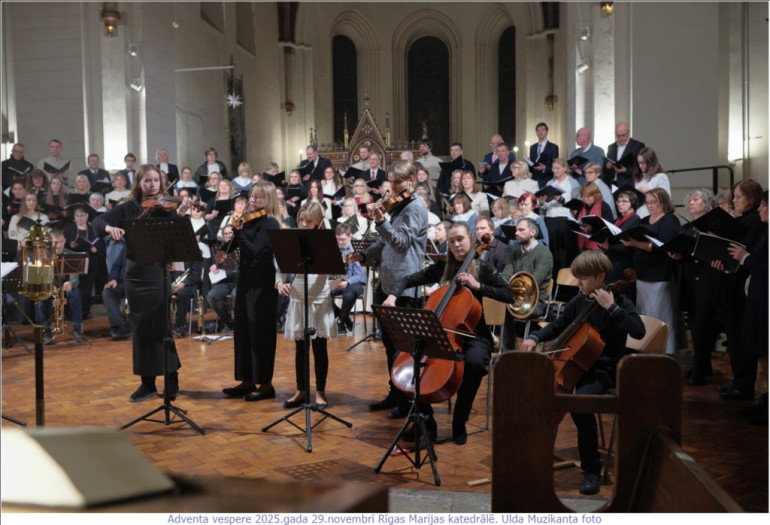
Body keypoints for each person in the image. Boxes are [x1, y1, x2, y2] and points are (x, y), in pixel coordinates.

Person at [520, 250, 645, 495]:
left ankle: (591, 470)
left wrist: (612, 308)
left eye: (583, 279)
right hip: (575, 363)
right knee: (534, 391)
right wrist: (534, 337)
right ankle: (530, 454)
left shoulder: (618, 301)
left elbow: (639, 331)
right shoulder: (580, 300)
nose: (579, 284)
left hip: (603, 370)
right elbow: (559, 325)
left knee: (579, 406)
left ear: (601, 276)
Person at [383, 222, 515, 443]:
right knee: (408, 358)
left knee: (473, 363)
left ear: (471, 240)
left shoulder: (482, 269)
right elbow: (407, 279)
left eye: (460, 239)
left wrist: (478, 286)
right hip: (442, 331)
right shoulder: (443, 268)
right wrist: (393, 296)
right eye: (452, 241)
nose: (456, 244)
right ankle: (426, 421)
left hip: (475, 334)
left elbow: (509, 295)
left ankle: (459, 421)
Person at [93, 164, 194, 402]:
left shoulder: (168, 208)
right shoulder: (128, 208)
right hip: (135, 275)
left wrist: (180, 215)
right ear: (139, 183)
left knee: (162, 328)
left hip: (158, 274)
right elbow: (98, 222)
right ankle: (147, 384)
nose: (152, 185)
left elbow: (177, 238)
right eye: (147, 181)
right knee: (140, 329)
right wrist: (110, 228)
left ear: (161, 183)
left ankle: (171, 379)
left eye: (156, 181)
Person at [347, 160, 428, 418]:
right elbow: (384, 243)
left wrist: (382, 221)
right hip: (387, 283)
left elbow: (402, 243)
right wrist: (364, 256)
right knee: (389, 344)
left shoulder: (415, 207)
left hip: (405, 287)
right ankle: (395, 393)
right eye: (390, 182)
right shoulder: (398, 205)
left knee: (403, 349)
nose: (392, 187)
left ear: (411, 180)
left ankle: (405, 403)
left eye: (398, 182)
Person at [221, 181, 281, 401]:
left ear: (269, 200)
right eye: (252, 197)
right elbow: (233, 250)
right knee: (244, 331)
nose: (253, 201)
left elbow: (254, 252)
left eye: (259, 197)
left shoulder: (271, 223)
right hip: (245, 282)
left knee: (260, 334)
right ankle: (246, 381)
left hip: (263, 286)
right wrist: (226, 241)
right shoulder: (246, 223)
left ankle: (266, 385)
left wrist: (239, 232)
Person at [276, 202, 337, 409]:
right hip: (298, 297)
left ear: (318, 223)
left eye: (308, 221)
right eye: (301, 219)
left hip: (319, 299)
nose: (303, 223)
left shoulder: (325, 241)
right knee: (300, 349)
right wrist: (279, 283)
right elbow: (280, 266)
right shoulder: (293, 241)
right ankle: (301, 391)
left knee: (319, 348)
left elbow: (336, 272)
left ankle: (320, 392)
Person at [713, 180, 765, 402]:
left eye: (738, 197)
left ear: (752, 198)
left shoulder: (758, 221)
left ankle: (744, 385)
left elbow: (749, 254)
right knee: (734, 335)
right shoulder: (744, 219)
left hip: (748, 288)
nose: (734, 200)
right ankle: (739, 381)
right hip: (735, 282)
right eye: (733, 196)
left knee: (742, 337)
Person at [620, 188, 683, 356]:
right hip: (643, 273)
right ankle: (646, 346)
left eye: (653, 202)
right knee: (645, 313)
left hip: (660, 274)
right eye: (647, 203)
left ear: (663, 201)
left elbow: (662, 246)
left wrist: (635, 244)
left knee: (661, 313)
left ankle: (665, 349)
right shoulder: (645, 219)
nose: (649, 206)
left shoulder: (670, 220)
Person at [668, 189, 719, 386]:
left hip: (707, 278)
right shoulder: (687, 228)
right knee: (695, 324)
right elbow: (684, 252)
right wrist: (677, 255)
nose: (691, 203)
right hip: (689, 280)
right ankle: (703, 365)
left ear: (706, 203)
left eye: (696, 200)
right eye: (689, 200)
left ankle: (700, 369)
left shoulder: (713, 227)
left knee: (703, 324)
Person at [726, 189, 767, 425]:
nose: (760, 209)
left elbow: (764, 265)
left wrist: (744, 257)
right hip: (758, 297)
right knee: (762, 354)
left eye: (764, 205)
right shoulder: (765, 232)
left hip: (764, 300)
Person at [500, 217, 554, 349]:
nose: (516, 233)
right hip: (515, 299)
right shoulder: (515, 254)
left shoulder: (544, 254)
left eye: (521, 230)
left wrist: (511, 287)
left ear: (533, 232)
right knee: (496, 303)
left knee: (503, 309)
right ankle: (507, 351)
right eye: (516, 230)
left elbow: (534, 280)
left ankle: (509, 351)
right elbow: (506, 276)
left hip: (535, 303)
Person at [63, 204, 104, 319]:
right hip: (72, 262)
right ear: (74, 216)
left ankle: (84, 313)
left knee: (86, 290)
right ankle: (69, 313)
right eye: (77, 216)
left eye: (82, 215)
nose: (80, 218)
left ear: (87, 216)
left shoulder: (93, 229)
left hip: (89, 263)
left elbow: (101, 246)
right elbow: (62, 244)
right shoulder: (68, 229)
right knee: (72, 288)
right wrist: (69, 244)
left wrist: (95, 249)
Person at [540, 158, 579, 272]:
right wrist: (542, 203)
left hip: (565, 219)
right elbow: (546, 206)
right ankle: (553, 280)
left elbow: (576, 204)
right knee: (552, 251)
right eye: (553, 168)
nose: (555, 171)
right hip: (550, 219)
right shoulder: (550, 183)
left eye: (558, 168)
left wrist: (562, 199)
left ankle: (565, 283)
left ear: (565, 168)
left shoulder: (572, 183)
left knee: (565, 252)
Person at [597, 190, 641, 288]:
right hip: (612, 261)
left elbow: (628, 246)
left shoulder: (635, 220)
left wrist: (609, 247)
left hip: (624, 264)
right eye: (618, 201)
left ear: (632, 203)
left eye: (624, 201)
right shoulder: (617, 220)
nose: (620, 204)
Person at [331, 222, 367, 335]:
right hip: (339, 280)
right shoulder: (333, 248)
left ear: (350, 236)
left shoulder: (356, 248)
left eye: (343, 239)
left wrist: (348, 281)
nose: (340, 242)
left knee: (348, 294)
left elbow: (359, 275)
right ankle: (343, 315)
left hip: (355, 282)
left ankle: (341, 321)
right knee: (322, 292)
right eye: (338, 239)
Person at [207, 225, 238, 333]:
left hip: (238, 282)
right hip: (223, 282)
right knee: (211, 297)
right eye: (226, 233)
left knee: (236, 296)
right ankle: (227, 321)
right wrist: (213, 267)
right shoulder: (218, 249)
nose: (228, 235)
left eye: (230, 233)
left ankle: (239, 323)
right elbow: (213, 265)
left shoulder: (240, 247)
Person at [102, 239, 131, 340]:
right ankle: (120, 325)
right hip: (122, 282)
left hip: (137, 284)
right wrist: (113, 279)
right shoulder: (127, 247)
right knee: (107, 293)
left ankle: (123, 326)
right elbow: (116, 266)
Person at [603, 122, 645, 188]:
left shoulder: (637, 146)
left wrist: (626, 170)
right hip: (612, 184)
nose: (621, 138)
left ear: (629, 132)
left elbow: (641, 167)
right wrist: (607, 166)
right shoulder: (611, 147)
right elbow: (605, 167)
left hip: (628, 183)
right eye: (618, 136)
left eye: (623, 135)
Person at [632, 147, 671, 219]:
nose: (640, 166)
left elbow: (667, 199)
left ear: (650, 162)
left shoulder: (661, 176)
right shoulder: (639, 178)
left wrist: (649, 191)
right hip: (639, 215)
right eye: (638, 163)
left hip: (655, 217)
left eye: (643, 162)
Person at [576, 182, 614, 252]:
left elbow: (610, 228)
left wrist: (591, 229)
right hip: (583, 245)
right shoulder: (581, 206)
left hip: (598, 246)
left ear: (596, 195)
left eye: (589, 196)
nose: (586, 199)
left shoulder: (604, 206)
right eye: (584, 196)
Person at [528, 122, 559, 188]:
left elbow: (556, 167)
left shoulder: (553, 147)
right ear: (536, 133)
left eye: (542, 130)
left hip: (547, 180)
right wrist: (529, 163)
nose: (540, 132)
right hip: (534, 181)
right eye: (538, 130)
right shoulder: (532, 147)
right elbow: (531, 169)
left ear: (547, 132)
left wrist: (545, 168)